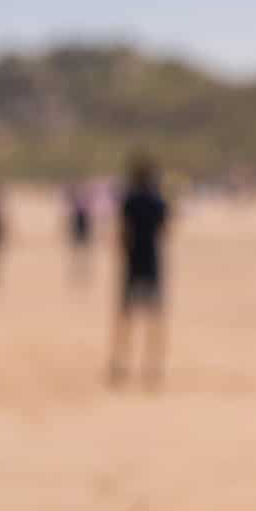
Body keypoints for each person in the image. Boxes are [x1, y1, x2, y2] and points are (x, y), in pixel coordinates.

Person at [109, 153, 172, 387]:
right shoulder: (158, 201)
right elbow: (166, 230)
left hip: (133, 262)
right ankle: (152, 365)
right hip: (152, 262)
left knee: (126, 316)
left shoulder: (130, 200)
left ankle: (120, 364)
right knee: (154, 317)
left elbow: (123, 231)